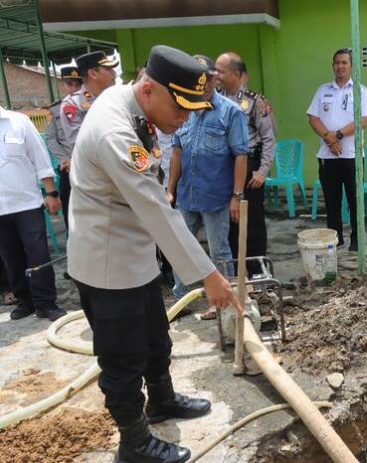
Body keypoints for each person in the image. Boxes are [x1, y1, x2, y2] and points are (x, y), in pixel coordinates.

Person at [67, 45, 241, 463]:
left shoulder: (130, 104)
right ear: (148, 91)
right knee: (122, 359)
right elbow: (157, 208)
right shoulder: (115, 133)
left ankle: (161, 399)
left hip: (136, 256)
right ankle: (135, 442)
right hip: (108, 266)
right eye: (181, 108)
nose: (185, 118)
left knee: (155, 337)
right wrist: (208, 275)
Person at [167, 54, 248, 311]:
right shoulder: (183, 108)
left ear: (214, 78)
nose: (201, 84)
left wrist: (236, 196)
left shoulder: (231, 112)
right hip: (186, 195)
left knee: (219, 252)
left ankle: (222, 303)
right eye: (195, 80)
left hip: (215, 196)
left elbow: (240, 156)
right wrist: (169, 191)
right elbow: (177, 153)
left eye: (205, 78)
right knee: (181, 248)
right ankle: (181, 300)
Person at [0, 106, 66, 321]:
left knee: (37, 253)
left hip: (26, 203)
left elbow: (40, 159)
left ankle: (46, 303)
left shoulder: (18, 122)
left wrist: (51, 192)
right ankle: (25, 300)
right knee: (11, 256)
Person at [307, 48, 367, 251]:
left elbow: (364, 119)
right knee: (332, 203)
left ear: (351, 66)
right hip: (328, 156)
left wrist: (338, 135)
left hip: (352, 156)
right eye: (337, 62)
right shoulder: (322, 90)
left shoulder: (360, 90)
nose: (340, 66)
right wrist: (329, 138)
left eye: (344, 62)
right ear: (332, 65)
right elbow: (313, 118)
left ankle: (356, 240)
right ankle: (335, 240)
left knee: (355, 202)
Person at [215, 52, 275, 274]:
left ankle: (257, 269)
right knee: (228, 221)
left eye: (221, 71)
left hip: (250, 167)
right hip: (224, 168)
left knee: (252, 220)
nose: (216, 75)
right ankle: (235, 271)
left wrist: (262, 171)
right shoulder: (214, 99)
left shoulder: (255, 102)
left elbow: (269, 138)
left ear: (237, 74)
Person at [44, 65, 82, 226]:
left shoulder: (91, 105)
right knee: (70, 214)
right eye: (69, 84)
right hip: (68, 169)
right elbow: (51, 139)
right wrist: (65, 159)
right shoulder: (55, 109)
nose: (73, 88)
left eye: (77, 84)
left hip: (90, 166)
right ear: (63, 85)